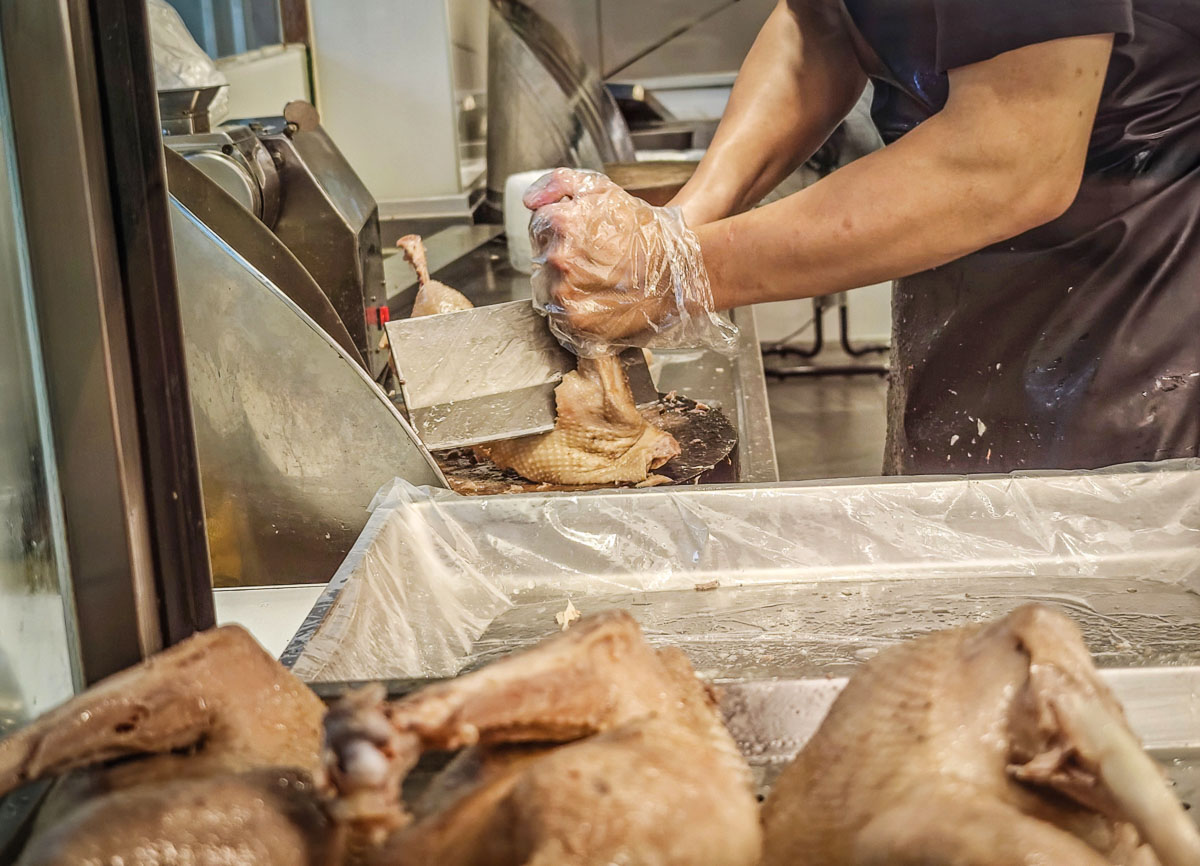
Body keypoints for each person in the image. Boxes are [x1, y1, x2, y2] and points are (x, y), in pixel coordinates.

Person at [524, 0, 1200, 474]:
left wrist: (685, 272)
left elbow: (1015, 160)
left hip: (1134, 309)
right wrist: (682, 223)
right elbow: (819, 24)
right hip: (959, 279)